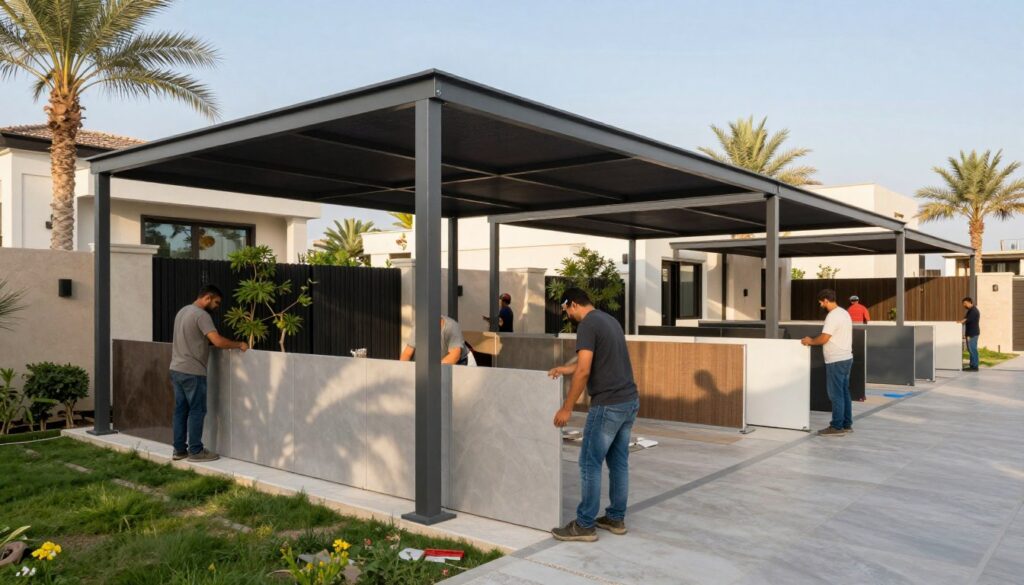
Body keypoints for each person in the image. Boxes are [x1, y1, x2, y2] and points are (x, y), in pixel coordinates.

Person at [548, 288, 639, 542]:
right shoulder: (609, 320)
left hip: (608, 404)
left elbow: (585, 370)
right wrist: (566, 368)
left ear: (573, 304)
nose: (568, 316)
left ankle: (584, 524)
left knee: (589, 463)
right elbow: (593, 360)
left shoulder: (587, 325)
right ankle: (615, 518)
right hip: (628, 401)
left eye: (567, 311)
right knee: (618, 462)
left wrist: (567, 408)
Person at [170, 285, 248, 462]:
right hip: (192, 371)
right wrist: (239, 345)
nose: (217, 306)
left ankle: (179, 450)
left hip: (176, 368)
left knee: (180, 411)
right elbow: (218, 341)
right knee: (197, 410)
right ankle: (196, 451)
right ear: (207, 298)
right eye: (216, 302)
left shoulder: (183, 311)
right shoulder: (201, 315)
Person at [800, 289, 854, 436]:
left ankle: (836, 427)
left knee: (836, 394)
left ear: (825, 300)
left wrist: (810, 341)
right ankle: (846, 424)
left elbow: (824, 338)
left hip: (836, 360)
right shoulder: (844, 312)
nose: (820, 305)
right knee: (844, 392)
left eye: (820, 302)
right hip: (846, 357)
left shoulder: (833, 316)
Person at [400, 315, 471, 365]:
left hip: (461, 363)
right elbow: (407, 353)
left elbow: (455, 355)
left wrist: (434, 371)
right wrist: (402, 369)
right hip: (436, 365)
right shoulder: (419, 327)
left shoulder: (451, 327)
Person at [960, 297, 981, 371]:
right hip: (971, 333)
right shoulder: (970, 310)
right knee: (971, 350)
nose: (964, 305)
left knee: (973, 350)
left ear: (970, 302)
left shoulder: (974, 311)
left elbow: (966, 320)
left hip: (972, 333)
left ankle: (975, 366)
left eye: (965, 303)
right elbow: (965, 318)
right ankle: (972, 365)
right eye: (963, 304)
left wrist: (959, 322)